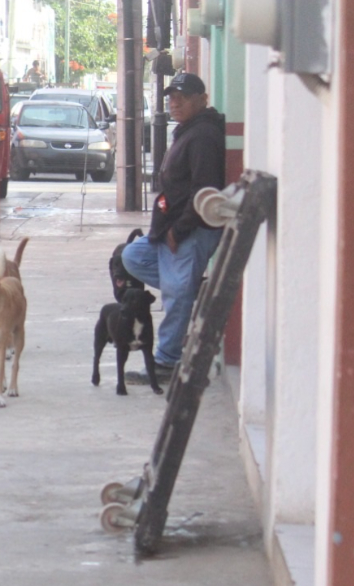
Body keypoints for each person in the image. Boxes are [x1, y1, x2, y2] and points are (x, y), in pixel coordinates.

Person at [120, 70, 225, 386]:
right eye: (171, 98)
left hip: (190, 229)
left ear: (201, 100)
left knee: (177, 293)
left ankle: (167, 361)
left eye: (182, 97)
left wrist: (179, 230)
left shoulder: (204, 135)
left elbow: (204, 189)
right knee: (133, 258)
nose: (175, 103)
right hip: (169, 228)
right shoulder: (187, 130)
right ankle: (190, 287)